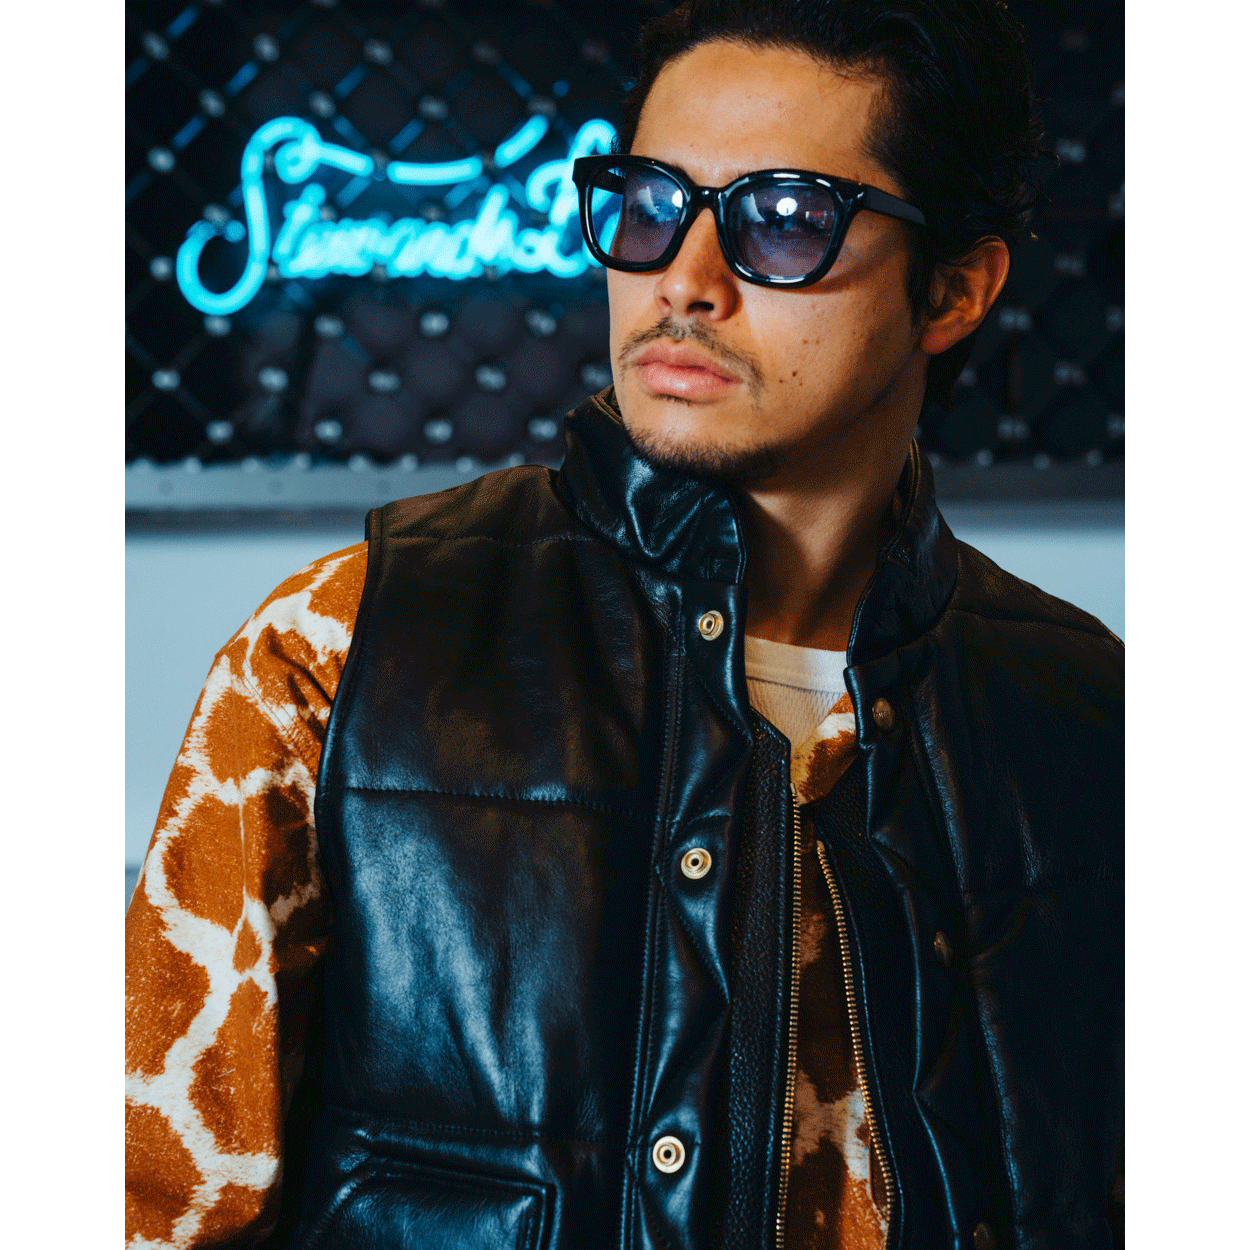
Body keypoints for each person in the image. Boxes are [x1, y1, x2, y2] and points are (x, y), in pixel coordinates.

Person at [125, 1, 1124, 1247]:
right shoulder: (338, 650)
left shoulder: (1096, 718)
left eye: (784, 218)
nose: (683, 281)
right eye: (651, 203)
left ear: (955, 287)